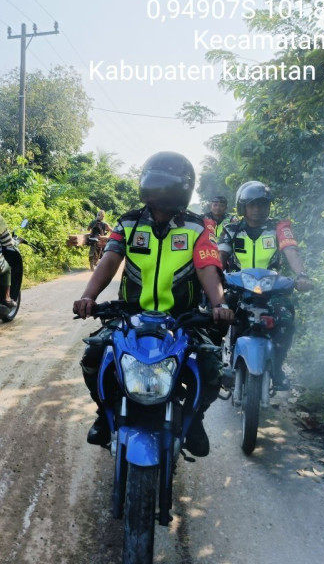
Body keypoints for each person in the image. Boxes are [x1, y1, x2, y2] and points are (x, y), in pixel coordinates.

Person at [73, 152, 235, 457]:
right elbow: (109, 260)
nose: (158, 207)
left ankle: (195, 420)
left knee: (212, 367)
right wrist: (88, 297)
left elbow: (207, 268)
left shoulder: (198, 228)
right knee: (94, 356)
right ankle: (103, 415)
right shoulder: (129, 223)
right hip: (130, 317)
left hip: (181, 320)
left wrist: (219, 303)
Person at [218, 181, 314, 390]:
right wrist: (216, 276)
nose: (257, 209)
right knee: (219, 314)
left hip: (272, 290)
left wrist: (302, 276)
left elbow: (291, 251)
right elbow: (220, 256)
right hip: (238, 288)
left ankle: (277, 367)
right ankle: (218, 364)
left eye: (262, 204)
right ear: (243, 207)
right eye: (252, 205)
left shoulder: (279, 228)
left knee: (286, 317)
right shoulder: (231, 229)